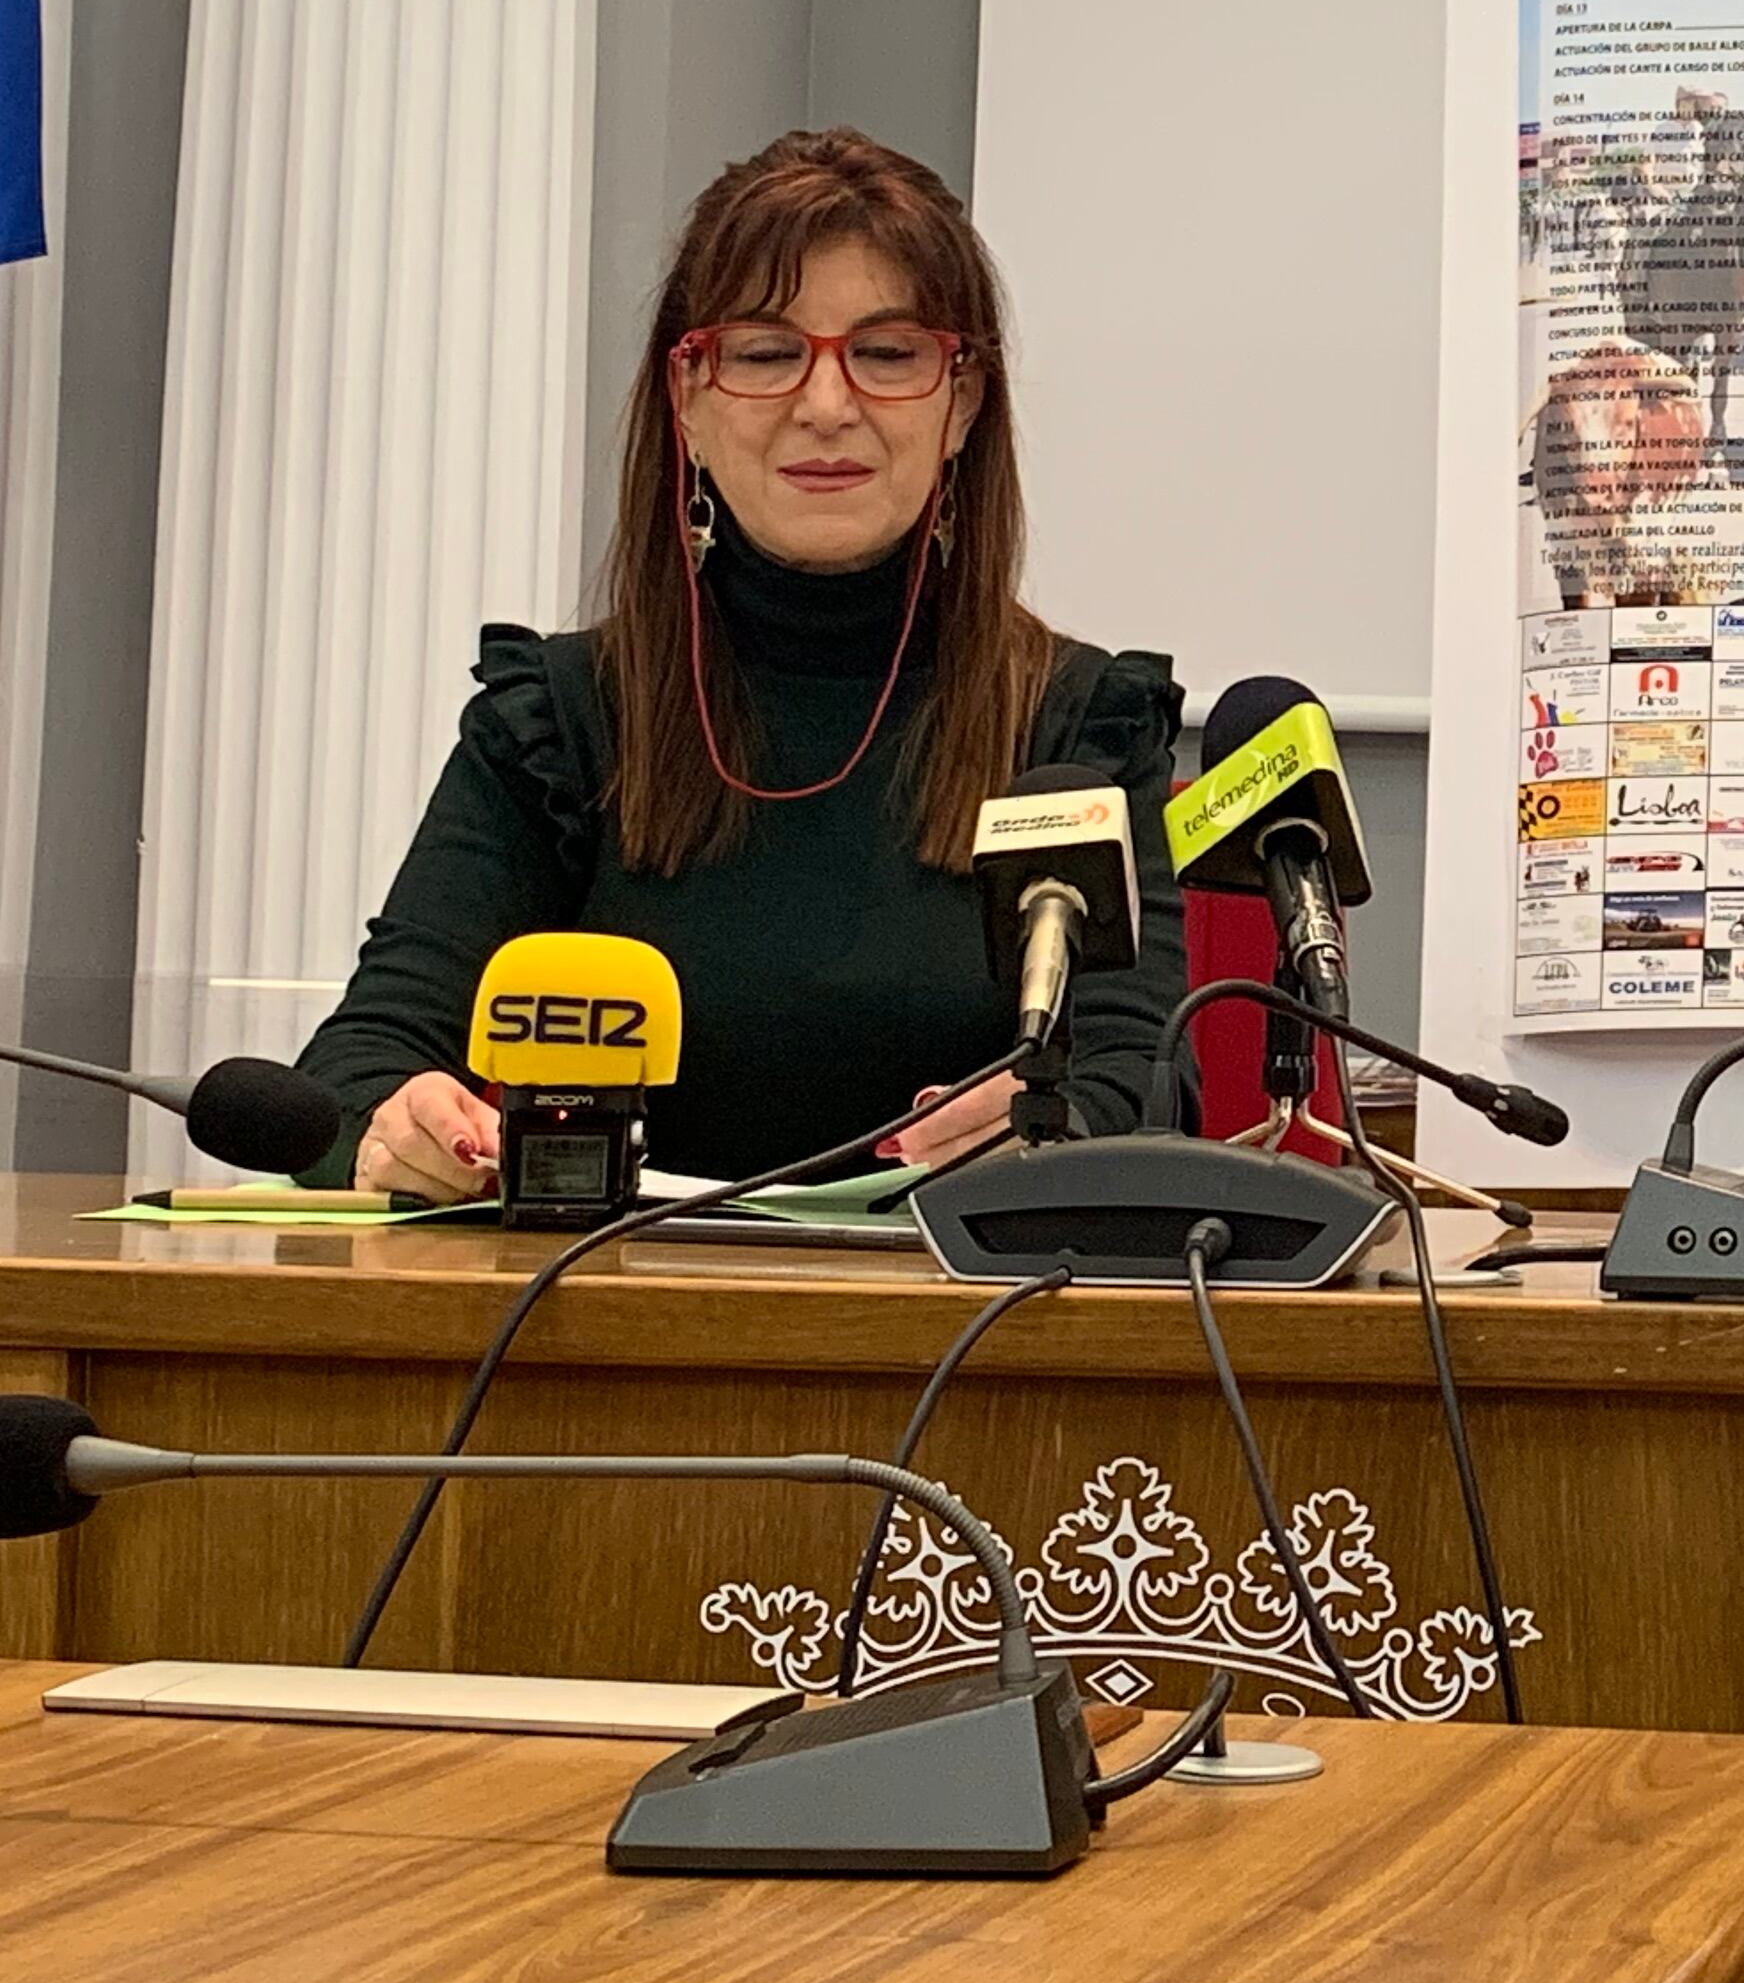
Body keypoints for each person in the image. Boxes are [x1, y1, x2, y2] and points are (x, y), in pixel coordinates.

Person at [298, 131, 1188, 1198]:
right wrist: (399, 1128)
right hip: (596, 1329)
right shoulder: (558, 726)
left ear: (963, 403)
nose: (825, 405)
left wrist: (1067, 1124)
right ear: (689, 401)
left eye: (888, 353)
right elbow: (354, 1073)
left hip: (970, 1334)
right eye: (766, 354)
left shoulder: (1077, 728)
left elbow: (1151, 1084)